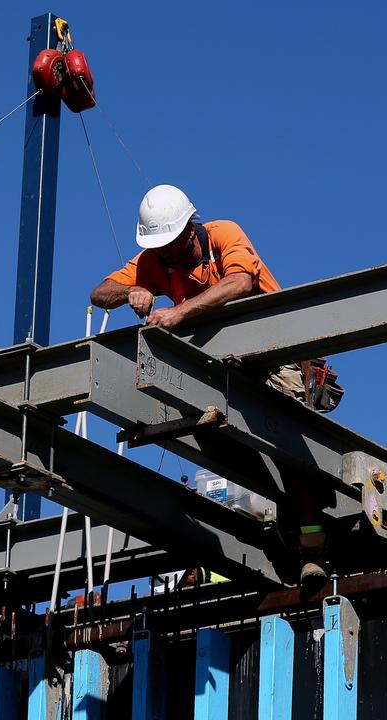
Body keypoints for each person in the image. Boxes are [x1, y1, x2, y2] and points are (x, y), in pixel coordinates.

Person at [89, 185, 334, 585]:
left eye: (171, 243)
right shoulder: (155, 260)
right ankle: (281, 529)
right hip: (222, 370)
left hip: (272, 354)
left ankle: (312, 547)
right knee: (222, 448)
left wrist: (177, 314)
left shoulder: (224, 235)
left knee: (291, 450)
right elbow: (99, 293)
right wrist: (130, 290)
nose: (166, 253)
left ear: (190, 227)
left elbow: (239, 283)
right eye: (160, 247)